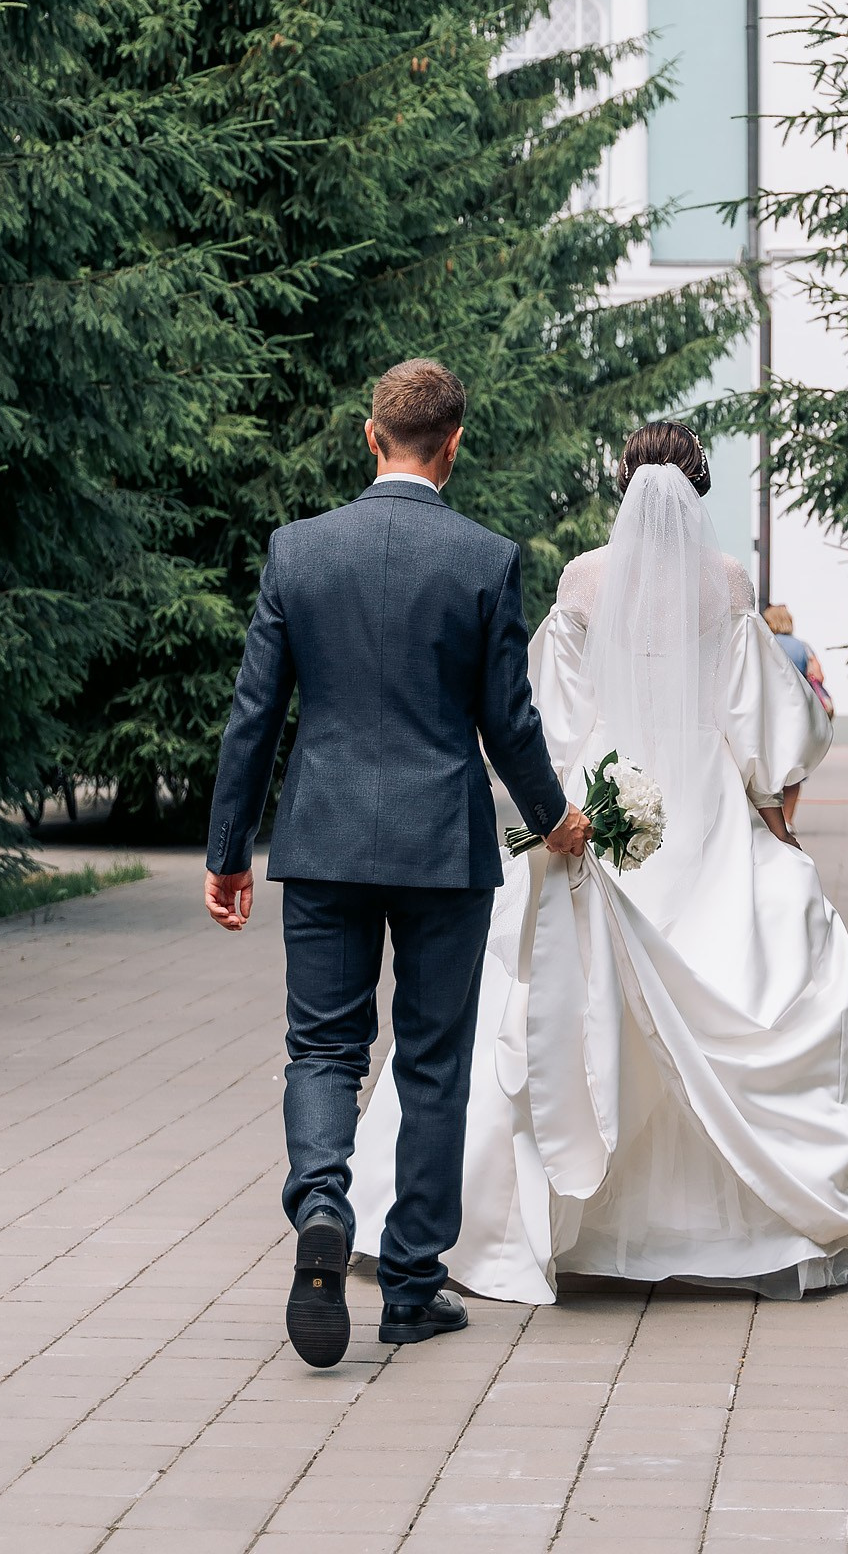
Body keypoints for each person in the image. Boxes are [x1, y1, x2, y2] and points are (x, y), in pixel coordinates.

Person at [350, 421, 848, 1301]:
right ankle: (746, 1219)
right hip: (703, 807)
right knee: (760, 944)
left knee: (536, 986)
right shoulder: (728, 584)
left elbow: (550, 714)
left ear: (625, 485)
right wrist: (771, 804)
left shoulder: (585, 579)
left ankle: (492, 1214)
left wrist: (553, 807)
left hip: (602, 799)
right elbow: (768, 731)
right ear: (697, 490)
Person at [204, 358, 591, 1368]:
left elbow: (255, 717)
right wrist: (552, 816)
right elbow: (505, 722)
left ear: (369, 436)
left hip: (324, 839)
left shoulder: (298, 551)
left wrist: (226, 854)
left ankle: (323, 1206)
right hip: (439, 846)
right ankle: (412, 1289)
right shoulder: (484, 558)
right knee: (430, 1066)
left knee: (323, 1049)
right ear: (450, 448)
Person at [761, 602, 833, 834]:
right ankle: (788, 820)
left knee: (769, 767)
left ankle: (770, 822)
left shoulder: (764, 644)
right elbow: (818, 676)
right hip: (797, 716)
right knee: (794, 768)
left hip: (768, 714)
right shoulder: (803, 647)